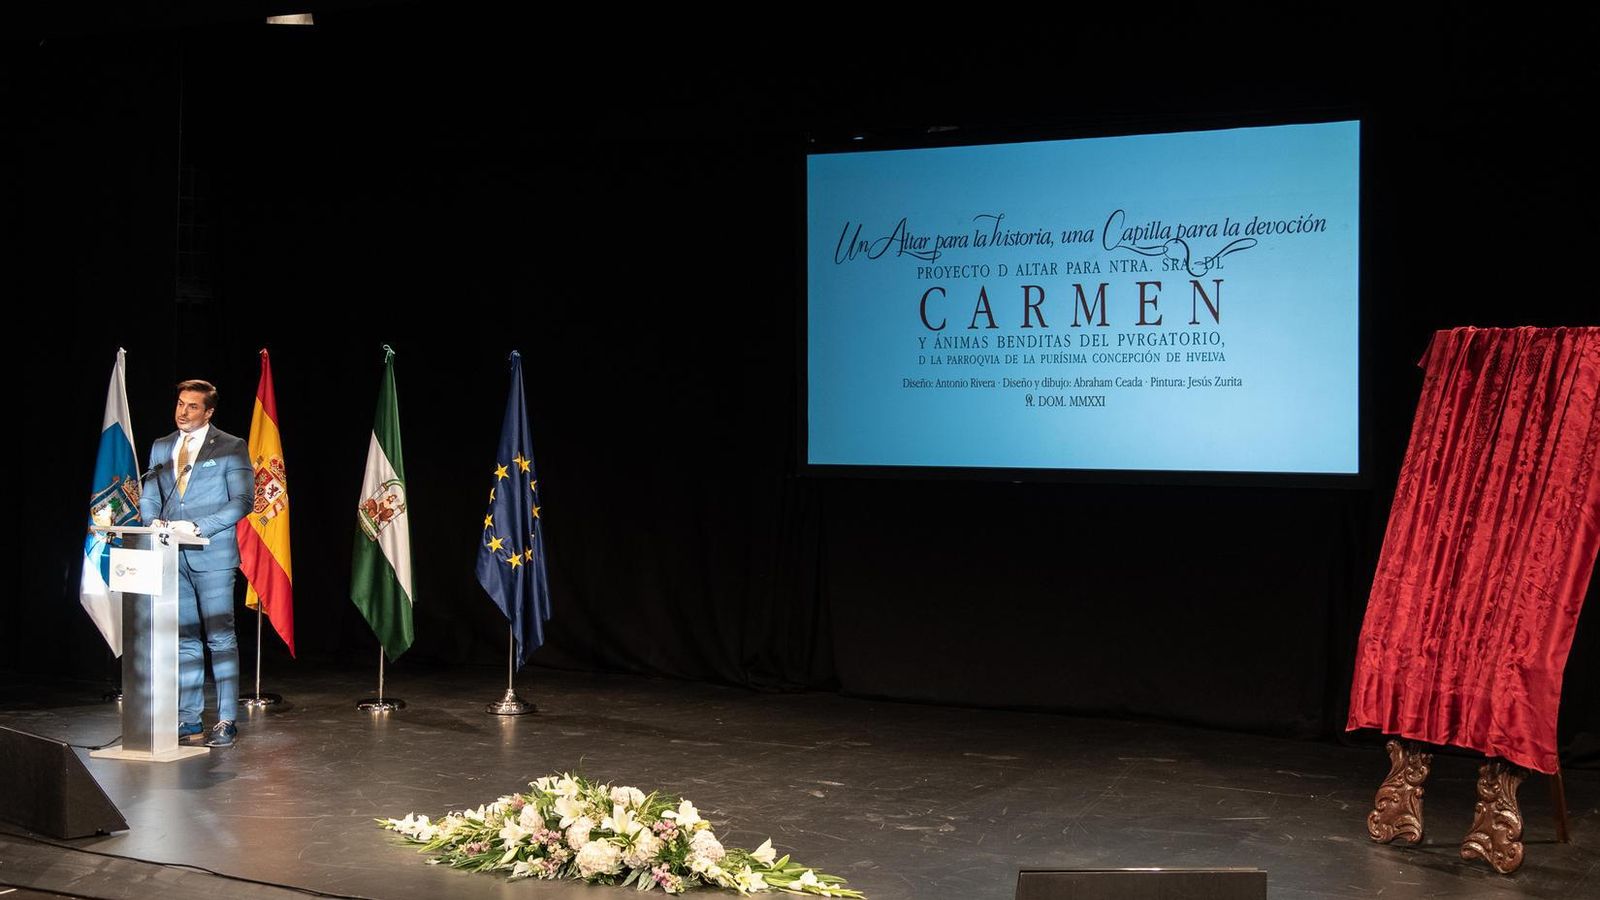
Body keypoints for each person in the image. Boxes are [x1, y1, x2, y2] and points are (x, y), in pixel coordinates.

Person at [139, 379, 253, 748]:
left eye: (191, 406)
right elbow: (151, 495)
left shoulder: (232, 447)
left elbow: (242, 501)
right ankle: (188, 720)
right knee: (185, 639)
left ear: (208, 412)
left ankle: (225, 720)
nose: (182, 412)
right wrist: (151, 522)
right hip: (173, 554)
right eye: (180, 403)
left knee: (220, 638)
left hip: (213, 555)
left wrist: (200, 525)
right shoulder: (162, 446)